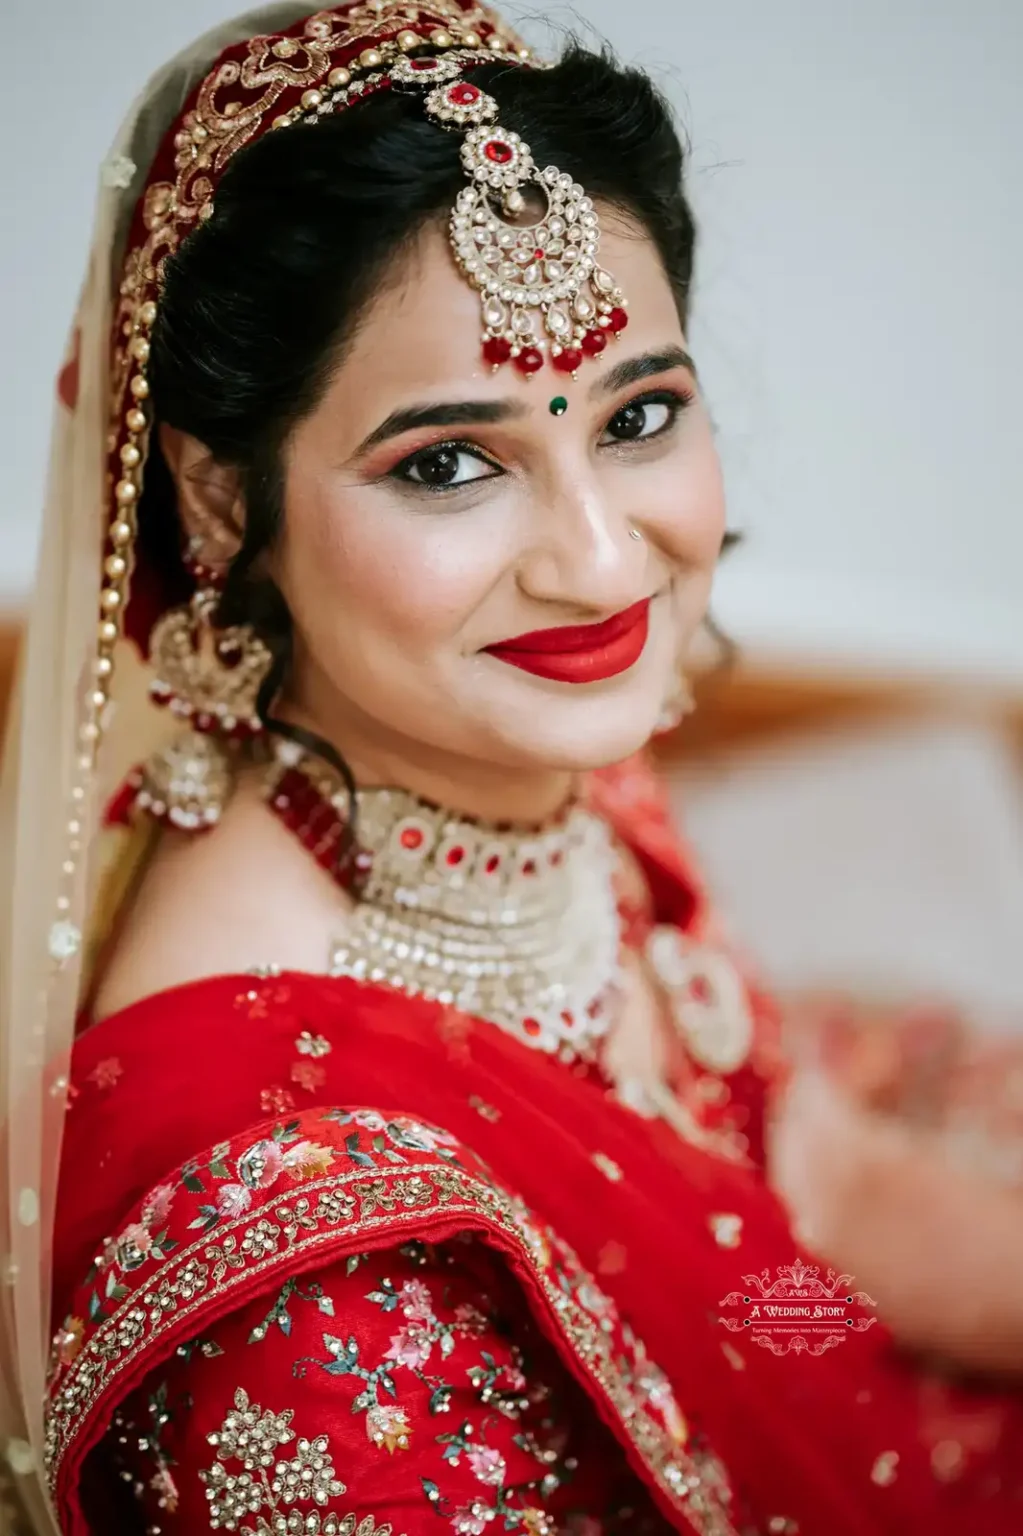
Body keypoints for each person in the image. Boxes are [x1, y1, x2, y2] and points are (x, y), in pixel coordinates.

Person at [1, 3, 1021, 1532]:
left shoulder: (517, 744)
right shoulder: (300, 1266)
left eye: (641, 416)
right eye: (445, 463)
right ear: (220, 498)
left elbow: (799, 1224)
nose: (602, 565)